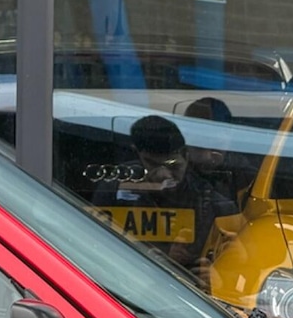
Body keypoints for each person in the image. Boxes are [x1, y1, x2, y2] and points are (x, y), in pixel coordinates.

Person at [92, 114, 239, 281]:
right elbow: (99, 248)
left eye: (173, 166)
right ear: (137, 154)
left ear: (186, 155)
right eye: (152, 165)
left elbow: (236, 268)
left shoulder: (216, 204)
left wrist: (216, 276)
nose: (164, 175)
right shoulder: (114, 190)